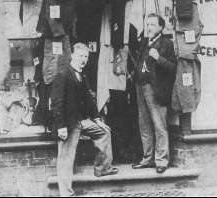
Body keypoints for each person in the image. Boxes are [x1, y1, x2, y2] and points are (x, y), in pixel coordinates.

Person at [51, 42, 119, 196]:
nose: (83, 59)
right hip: (69, 124)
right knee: (66, 159)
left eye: (86, 56)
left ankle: (102, 169)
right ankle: (66, 193)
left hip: (82, 121)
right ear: (73, 56)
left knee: (104, 132)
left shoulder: (82, 74)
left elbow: (88, 99)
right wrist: (61, 126)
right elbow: (57, 103)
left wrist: (97, 119)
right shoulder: (63, 74)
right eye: (80, 56)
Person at [131, 14, 177, 173]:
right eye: (147, 24)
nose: (148, 27)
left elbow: (173, 68)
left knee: (159, 125)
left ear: (161, 27)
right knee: (144, 125)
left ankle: (161, 161)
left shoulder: (167, 44)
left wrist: (158, 58)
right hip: (140, 86)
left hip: (156, 89)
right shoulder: (144, 42)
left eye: (152, 24)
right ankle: (147, 158)